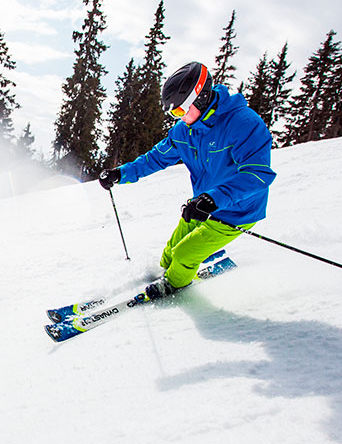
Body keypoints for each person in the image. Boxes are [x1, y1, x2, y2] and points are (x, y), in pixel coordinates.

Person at [98, 61, 276, 299]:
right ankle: (168, 271)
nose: (179, 118)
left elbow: (257, 174)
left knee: (184, 254)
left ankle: (175, 285)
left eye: (181, 110)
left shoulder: (243, 124)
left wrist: (214, 199)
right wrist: (121, 173)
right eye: (174, 113)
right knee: (170, 252)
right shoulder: (184, 131)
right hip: (201, 206)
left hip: (237, 211)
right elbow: (155, 159)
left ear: (200, 98)